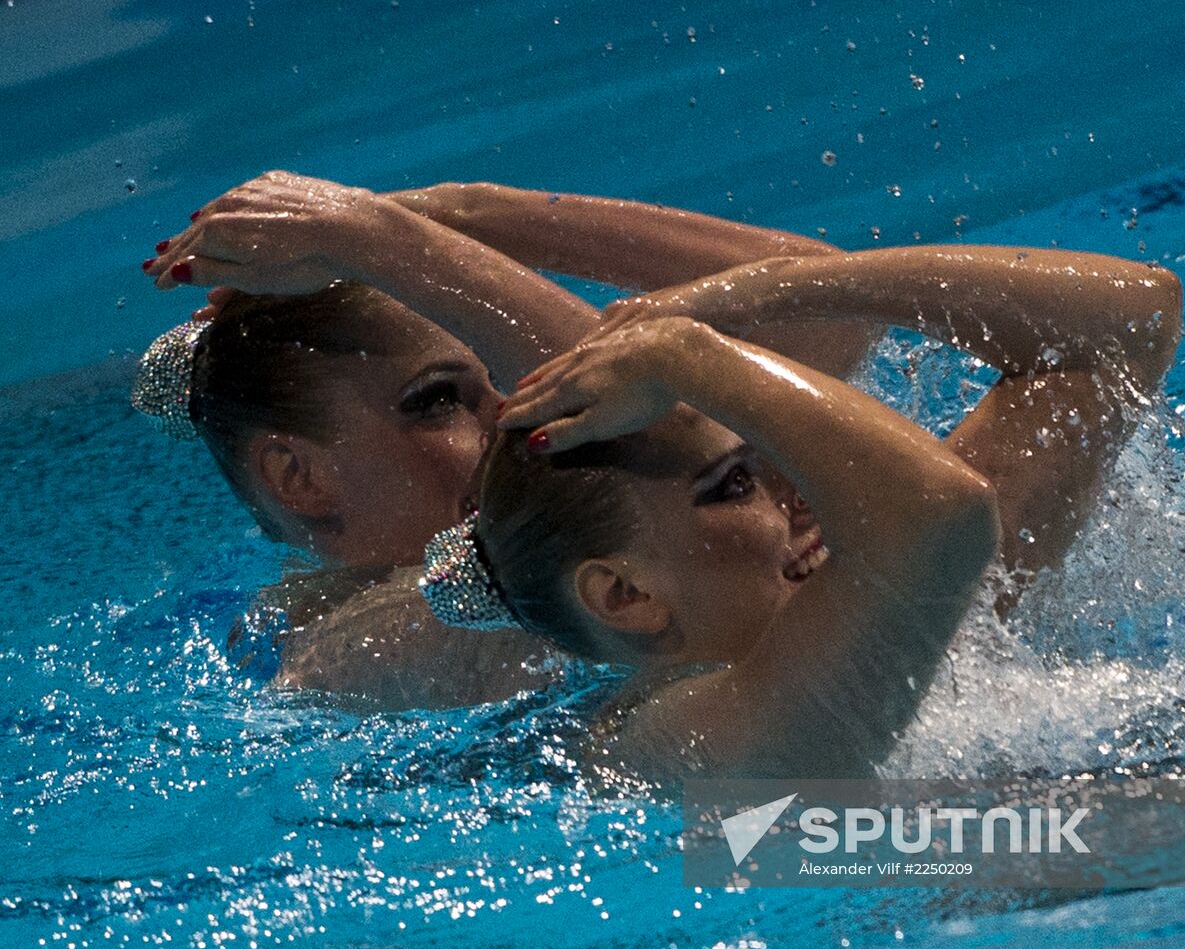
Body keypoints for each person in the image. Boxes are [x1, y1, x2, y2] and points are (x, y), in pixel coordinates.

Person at [423, 245, 1182, 780]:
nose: (806, 491)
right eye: (733, 485)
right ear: (627, 595)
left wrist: (754, 292)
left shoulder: (900, 608)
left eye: (767, 457)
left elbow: (1129, 321)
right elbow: (939, 509)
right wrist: (687, 356)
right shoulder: (675, 748)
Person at [136, 171, 870, 706]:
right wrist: (385, 243)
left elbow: (837, 308)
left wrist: (472, 216)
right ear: (298, 476)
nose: (519, 406)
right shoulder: (357, 641)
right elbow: (673, 431)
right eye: (437, 401)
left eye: (507, 371)